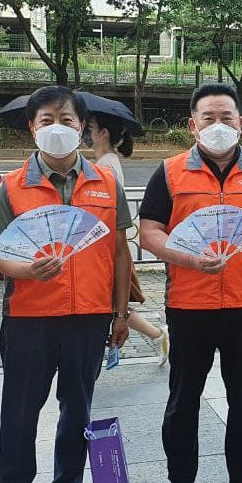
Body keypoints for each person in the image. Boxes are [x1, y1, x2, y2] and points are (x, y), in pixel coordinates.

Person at [139, 83, 242, 483]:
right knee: (183, 399)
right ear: (192, 125)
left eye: (227, 117)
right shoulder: (169, 173)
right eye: (209, 118)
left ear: (241, 123)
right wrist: (187, 257)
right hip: (189, 306)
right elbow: (150, 231)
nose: (219, 125)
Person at [0, 85, 133, 483]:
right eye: (46, 120)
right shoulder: (13, 185)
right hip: (30, 318)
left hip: (88, 316)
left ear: (82, 128)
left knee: (78, 410)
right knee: (20, 413)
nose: (57, 128)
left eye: (67, 120)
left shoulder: (106, 183)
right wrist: (28, 270)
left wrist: (121, 312)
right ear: (32, 127)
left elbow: (119, 251)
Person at [87, 114, 171, 365]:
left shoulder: (106, 165)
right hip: (105, 244)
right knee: (111, 304)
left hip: (106, 247)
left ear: (102, 133)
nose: (86, 133)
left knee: (112, 304)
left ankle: (157, 335)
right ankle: (157, 336)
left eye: (90, 128)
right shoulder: (106, 161)